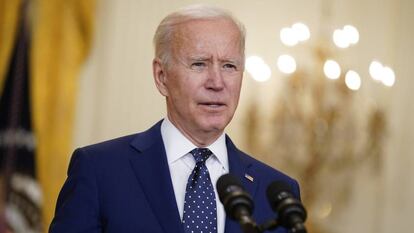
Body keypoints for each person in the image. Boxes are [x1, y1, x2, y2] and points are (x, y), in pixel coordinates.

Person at [49, 4, 301, 233]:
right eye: (199, 64)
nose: (217, 83)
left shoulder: (278, 192)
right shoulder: (99, 170)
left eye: (229, 66)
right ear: (161, 77)